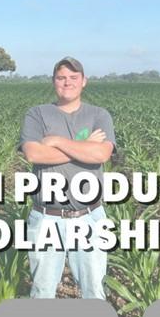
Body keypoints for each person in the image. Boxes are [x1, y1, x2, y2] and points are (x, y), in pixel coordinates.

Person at [18, 56, 116, 299]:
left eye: (73, 77)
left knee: (94, 290)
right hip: (46, 217)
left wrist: (59, 142)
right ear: (53, 82)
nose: (67, 82)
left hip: (89, 217)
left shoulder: (99, 115)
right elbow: (34, 153)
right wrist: (83, 147)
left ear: (84, 82)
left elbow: (100, 153)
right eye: (61, 77)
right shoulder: (37, 114)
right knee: (42, 292)